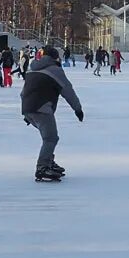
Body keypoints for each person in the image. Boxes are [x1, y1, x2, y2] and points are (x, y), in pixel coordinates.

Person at [20, 45, 84, 182]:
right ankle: (42, 167)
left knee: (48, 137)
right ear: (55, 57)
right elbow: (68, 90)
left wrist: (26, 112)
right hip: (41, 108)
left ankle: (48, 161)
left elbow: (23, 92)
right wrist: (77, 109)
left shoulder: (32, 68)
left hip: (28, 108)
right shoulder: (55, 70)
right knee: (50, 138)